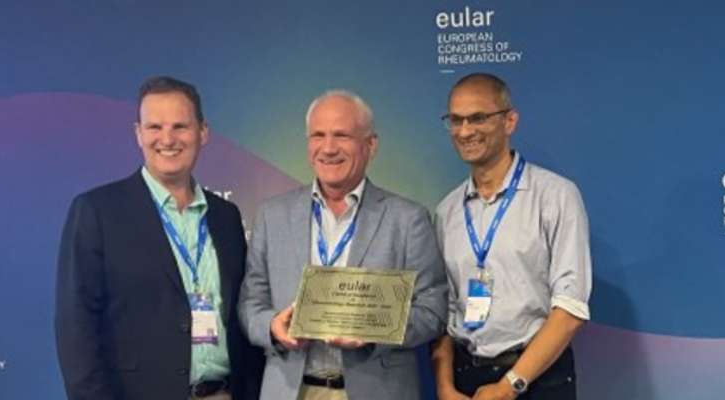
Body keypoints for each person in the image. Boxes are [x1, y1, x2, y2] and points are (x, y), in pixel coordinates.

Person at [55, 76, 264, 400]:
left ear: (203, 132)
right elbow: (76, 331)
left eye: (180, 126)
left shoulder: (226, 216)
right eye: (154, 127)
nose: (167, 139)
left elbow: (241, 317)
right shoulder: (98, 212)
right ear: (138, 134)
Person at [238, 90, 447, 400]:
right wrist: (272, 327)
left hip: (378, 390)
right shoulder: (273, 214)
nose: (328, 148)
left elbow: (433, 310)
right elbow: (250, 302)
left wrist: (374, 330)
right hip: (291, 390)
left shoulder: (408, 218)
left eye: (342, 135)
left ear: (370, 145)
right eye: (318, 135)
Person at [431, 73, 592, 400]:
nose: (465, 131)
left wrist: (511, 385)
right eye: (456, 120)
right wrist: (445, 387)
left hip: (538, 380)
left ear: (510, 121)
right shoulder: (446, 211)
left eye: (478, 118)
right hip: (467, 381)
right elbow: (442, 312)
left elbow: (571, 308)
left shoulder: (555, 196)